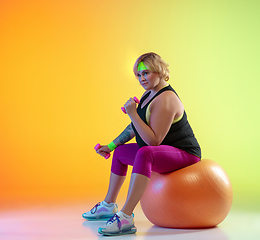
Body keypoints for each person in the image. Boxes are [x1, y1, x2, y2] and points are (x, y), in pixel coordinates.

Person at [83, 52, 201, 236]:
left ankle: (126, 217)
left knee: (146, 153)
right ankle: (108, 205)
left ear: (159, 71)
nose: (142, 79)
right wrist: (111, 146)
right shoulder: (149, 94)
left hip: (185, 153)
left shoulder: (166, 99)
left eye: (146, 73)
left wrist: (133, 113)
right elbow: (135, 127)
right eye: (139, 75)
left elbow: (154, 141)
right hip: (163, 150)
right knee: (121, 152)